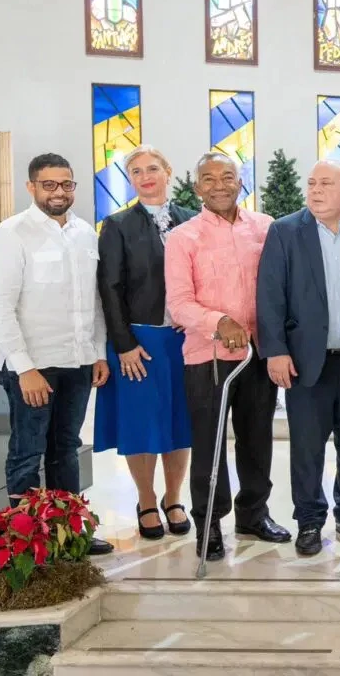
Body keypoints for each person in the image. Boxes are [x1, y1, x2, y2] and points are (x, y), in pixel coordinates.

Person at [0, 153, 114, 554]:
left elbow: (94, 301)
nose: (59, 192)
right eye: (49, 184)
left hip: (77, 363)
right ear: (31, 187)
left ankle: (68, 536)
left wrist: (98, 352)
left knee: (66, 449)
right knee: (27, 453)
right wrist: (25, 368)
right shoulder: (8, 236)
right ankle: (25, 541)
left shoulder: (85, 233)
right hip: (32, 366)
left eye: (66, 184)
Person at [165, 152, 290, 561]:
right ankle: (209, 523)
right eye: (209, 178)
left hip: (258, 354)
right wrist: (218, 321)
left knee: (257, 440)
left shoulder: (266, 227)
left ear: (240, 182)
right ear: (197, 187)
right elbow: (179, 303)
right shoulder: (182, 237)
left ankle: (253, 515)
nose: (219, 185)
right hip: (208, 357)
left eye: (227, 176)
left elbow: (278, 286)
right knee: (209, 444)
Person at [256, 161, 340, 556]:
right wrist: (275, 350)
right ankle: (308, 520)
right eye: (311, 183)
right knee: (307, 446)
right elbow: (269, 295)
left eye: (326, 183)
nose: (316, 190)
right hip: (306, 361)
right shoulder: (285, 231)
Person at [95, 146, 196, 540]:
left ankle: (174, 497)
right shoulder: (117, 225)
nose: (145, 177)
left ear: (167, 171)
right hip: (139, 340)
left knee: (180, 422)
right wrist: (123, 344)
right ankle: (146, 499)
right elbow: (109, 287)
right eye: (135, 171)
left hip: (185, 339)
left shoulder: (192, 219)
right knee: (142, 425)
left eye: (152, 168)